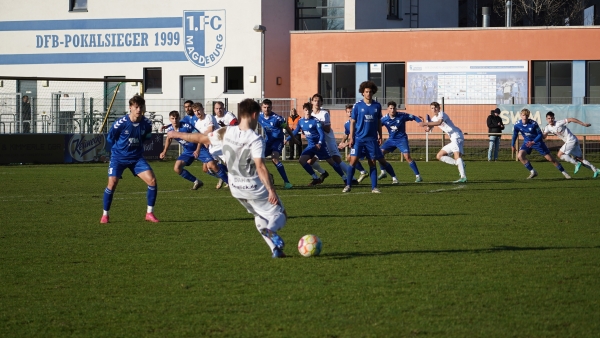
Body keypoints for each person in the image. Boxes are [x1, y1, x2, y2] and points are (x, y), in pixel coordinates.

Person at [167, 99, 287, 258]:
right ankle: (271, 231)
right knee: (280, 214)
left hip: (235, 188)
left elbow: (200, 138)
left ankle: (275, 250)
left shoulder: (226, 132)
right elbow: (260, 166)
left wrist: (175, 134)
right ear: (253, 114)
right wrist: (271, 190)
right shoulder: (255, 138)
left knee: (260, 216)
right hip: (253, 186)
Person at [101, 95, 159, 223]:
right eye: (136, 107)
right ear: (130, 108)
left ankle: (149, 213)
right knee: (112, 183)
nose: (139, 110)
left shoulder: (147, 123)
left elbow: (147, 137)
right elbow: (110, 138)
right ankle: (105, 215)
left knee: (152, 181)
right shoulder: (120, 123)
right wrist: (117, 150)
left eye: (141, 107)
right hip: (118, 158)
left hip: (136, 158)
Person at [344, 81, 398, 193]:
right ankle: (348, 185)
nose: (368, 93)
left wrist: (380, 135)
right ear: (362, 93)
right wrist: (351, 137)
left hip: (372, 140)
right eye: (366, 91)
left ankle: (374, 187)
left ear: (373, 92)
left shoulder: (377, 106)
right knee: (352, 160)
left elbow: (378, 122)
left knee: (372, 162)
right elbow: (353, 122)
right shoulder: (357, 106)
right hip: (359, 139)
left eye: (370, 91)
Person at [309, 94, 356, 185]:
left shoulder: (324, 113)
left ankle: (352, 178)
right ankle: (323, 173)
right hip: (317, 142)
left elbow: (327, 128)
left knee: (336, 159)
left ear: (321, 102)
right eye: (315, 100)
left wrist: (318, 124)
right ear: (312, 102)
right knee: (309, 161)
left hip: (328, 141)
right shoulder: (310, 114)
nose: (317, 102)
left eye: (319, 101)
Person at [511, 108, 571, 180]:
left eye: (527, 115)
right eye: (523, 115)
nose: (525, 117)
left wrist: (534, 142)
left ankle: (564, 172)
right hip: (527, 142)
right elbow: (515, 134)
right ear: (521, 115)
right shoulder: (517, 125)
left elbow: (540, 135)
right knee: (520, 156)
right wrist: (512, 144)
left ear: (528, 116)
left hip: (537, 142)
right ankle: (533, 171)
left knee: (550, 159)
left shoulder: (533, 124)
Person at [419, 101, 467, 183]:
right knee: (439, 156)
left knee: (457, 156)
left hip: (456, 135)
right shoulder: (433, 119)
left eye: (435, 108)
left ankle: (463, 177)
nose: (434, 109)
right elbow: (428, 129)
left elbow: (439, 122)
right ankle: (460, 164)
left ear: (439, 108)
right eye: (432, 108)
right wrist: (425, 124)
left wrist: (425, 123)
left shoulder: (442, 114)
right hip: (453, 138)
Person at [543, 111, 599, 178]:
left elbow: (571, 119)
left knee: (559, 155)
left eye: (552, 118)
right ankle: (595, 170)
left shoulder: (559, 123)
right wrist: (538, 134)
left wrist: (583, 124)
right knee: (579, 159)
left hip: (571, 140)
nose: (550, 120)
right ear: (546, 119)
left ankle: (576, 164)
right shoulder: (547, 127)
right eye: (549, 118)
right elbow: (544, 136)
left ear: (554, 118)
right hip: (572, 141)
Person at [379, 101, 423, 183]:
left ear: (396, 109)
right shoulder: (384, 119)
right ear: (387, 109)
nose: (392, 110)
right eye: (391, 108)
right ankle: (383, 172)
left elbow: (413, 117)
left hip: (401, 139)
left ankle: (418, 176)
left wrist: (419, 122)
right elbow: (377, 126)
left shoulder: (402, 115)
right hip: (391, 140)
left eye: (394, 108)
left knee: (407, 157)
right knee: (379, 153)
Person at [286, 102, 329, 186]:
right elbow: (295, 131)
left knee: (333, 161)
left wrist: (320, 143)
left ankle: (346, 178)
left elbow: (322, 133)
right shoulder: (301, 121)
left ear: (311, 110)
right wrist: (287, 139)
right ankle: (316, 177)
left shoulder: (316, 121)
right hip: (311, 146)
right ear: (303, 111)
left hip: (320, 145)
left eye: (309, 110)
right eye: (306, 110)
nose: (308, 112)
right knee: (303, 160)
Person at [160, 110, 203, 190]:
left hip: (201, 149)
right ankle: (196, 181)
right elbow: (169, 139)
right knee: (177, 168)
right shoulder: (170, 129)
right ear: (169, 119)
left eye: (176, 118)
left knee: (210, 167)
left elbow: (199, 136)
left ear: (179, 118)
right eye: (172, 118)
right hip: (188, 151)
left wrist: (198, 149)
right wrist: (164, 151)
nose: (175, 120)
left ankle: (227, 179)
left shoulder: (187, 126)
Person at [258, 99, 295, 189]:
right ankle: (268, 177)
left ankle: (287, 182)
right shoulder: (259, 116)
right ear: (261, 108)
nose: (266, 109)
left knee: (274, 159)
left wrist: (293, 138)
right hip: (268, 141)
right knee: (257, 160)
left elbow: (286, 127)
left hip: (277, 141)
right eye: (265, 107)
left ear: (271, 107)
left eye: (268, 107)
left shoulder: (277, 119)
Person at [192, 102, 230, 189]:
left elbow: (210, 129)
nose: (197, 113)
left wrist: (201, 137)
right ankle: (222, 177)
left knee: (230, 165)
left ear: (202, 109)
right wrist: (199, 147)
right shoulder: (197, 124)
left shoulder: (208, 117)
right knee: (207, 168)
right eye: (195, 111)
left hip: (220, 144)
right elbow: (200, 138)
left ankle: (240, 176)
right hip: (211, 147)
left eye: (198, 110)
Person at [338, 104, 369, 182]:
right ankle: (363, 172)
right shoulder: (347, 124)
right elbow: (346, 134)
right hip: (356, 145)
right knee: (349, 158)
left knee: (375, 161)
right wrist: (342, 142)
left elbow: (357, 137)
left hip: (364, 144)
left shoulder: (359, 122)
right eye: (348, 112)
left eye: (351, 111)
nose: (350, 113)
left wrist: (346, 144)